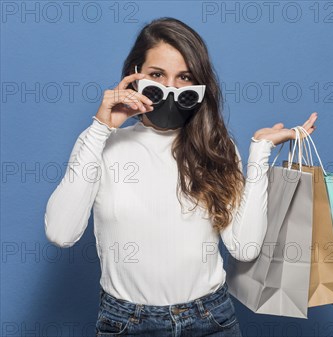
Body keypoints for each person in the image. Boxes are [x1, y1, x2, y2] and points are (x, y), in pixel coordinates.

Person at [44, 17, 317, 337]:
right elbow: (61, 233)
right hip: (127, 323)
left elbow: (244, 248)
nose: (170, 88)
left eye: (184, 77)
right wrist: (100, 128)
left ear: (198, 85)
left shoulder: (216, 148)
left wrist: (259, 151)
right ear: (135, 75)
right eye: (157, 75)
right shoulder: (102, 145)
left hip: (210, 320)